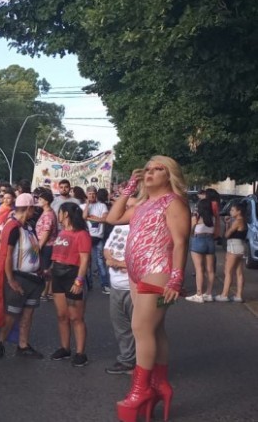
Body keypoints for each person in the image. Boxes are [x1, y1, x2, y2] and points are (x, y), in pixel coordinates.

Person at [105, 156, 189, 422]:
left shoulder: (173, 202)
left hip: (159, 271)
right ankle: (159, 384)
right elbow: (112, 217)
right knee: (154, 329)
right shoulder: (142, 204)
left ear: (169, 175)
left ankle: (140, 390)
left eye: (158, 169)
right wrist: (130, 186)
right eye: (148, 169)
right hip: (136, 271)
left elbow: (180, 241)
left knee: (141, 328)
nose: (150, 172)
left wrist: (176, 278)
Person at [0, 193, 45, 360]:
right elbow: (6, 255)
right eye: (33, 208)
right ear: (27, 208)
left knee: (28, 315)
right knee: (11, 315)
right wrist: (11, 280)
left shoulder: (27, 226)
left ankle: (23, 345)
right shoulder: (13, 227)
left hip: (33, 278)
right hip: (19, 278)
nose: (34, 212)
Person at [48, 202, 92, 367]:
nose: (58, 215)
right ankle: (65, 348)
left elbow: (85, 259)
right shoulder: (62, 232)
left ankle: (81, 353)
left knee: (76, 317)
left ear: (65, 214)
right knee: (61, 315)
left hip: (72, 275)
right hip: (58, 274)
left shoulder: (82, 234)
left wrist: (79, 280)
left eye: (60, 212)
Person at [103, 198, 137, 375]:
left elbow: (142, 261)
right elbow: (107, 247)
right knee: (121, 327)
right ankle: (127, 360)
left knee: (139, 328)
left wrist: (117, 262)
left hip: (134, 287)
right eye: (126, 206)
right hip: (116, 285)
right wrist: (110, 258)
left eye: (132, 206)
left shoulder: (142, 229)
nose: (128, 209)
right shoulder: (119, 226)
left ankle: (142, 364)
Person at [185, 199, 216, 303]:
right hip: (210, 241)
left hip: (199, 240)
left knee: (199, 269)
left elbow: (191, 230)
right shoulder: (212, 218)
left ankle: (199, 294)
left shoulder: (197, 217)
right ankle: (209, 293)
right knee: (210, 270)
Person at [217, 201, 246, 302]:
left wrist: (228, 224)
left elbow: (227, 234)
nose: (230, 211)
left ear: (239, 211)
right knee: (239, 272)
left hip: (233, 247)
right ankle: (239, 296)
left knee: (228, 272)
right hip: (241, 246)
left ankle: (224, 295)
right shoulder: (244, 220)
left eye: (233, 210)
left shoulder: (237, 221)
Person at [84, 186, 111, 293]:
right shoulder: (83, 205)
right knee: (87, 262)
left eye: (94, 193)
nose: (92, 195)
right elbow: (83, 216)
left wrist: (90, 218)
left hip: (98, 237)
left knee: (100, 262)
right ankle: (88, 284)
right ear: (87, 194)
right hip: (86, 237)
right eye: (89, 193)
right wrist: (87, 204)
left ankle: (105, 285)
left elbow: (105, 219)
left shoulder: (102, 205)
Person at [36, 189, 58, 301]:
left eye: (40, 199)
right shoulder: (47, 212)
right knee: (48, 269)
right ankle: (49, 292)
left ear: (46, 201)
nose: (38, 201)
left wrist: (38, 247)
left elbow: (46, 232)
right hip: (47, 245)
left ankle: (44, 292)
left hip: (47, 245)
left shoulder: (48, 215)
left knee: (45, 269)